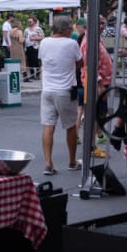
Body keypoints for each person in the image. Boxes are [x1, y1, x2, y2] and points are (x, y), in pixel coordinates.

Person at [37, 17, 82, 175]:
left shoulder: (44, 42)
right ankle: (72, 161)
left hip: (47, 89)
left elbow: (42, 59)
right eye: (70, 28)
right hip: (65, 89)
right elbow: (80, 63)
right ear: (65, 29)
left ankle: (48, 163)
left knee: (48, 126)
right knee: (70, 126)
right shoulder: (71, 44)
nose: (71, 31)